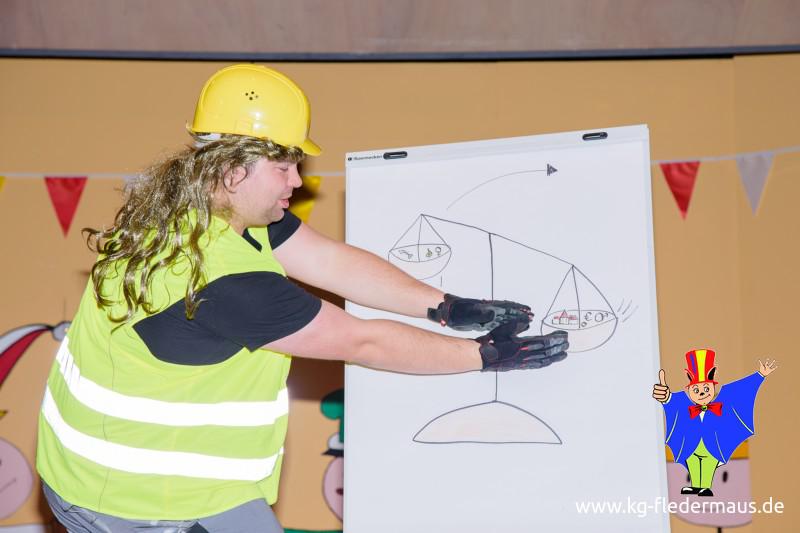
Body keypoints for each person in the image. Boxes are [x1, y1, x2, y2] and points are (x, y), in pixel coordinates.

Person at [36, 64, 569, 532]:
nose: (298, 179)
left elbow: (330, 262)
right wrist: (484, 356)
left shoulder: (193, 205)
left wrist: (445, 306)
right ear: (232, 168)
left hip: (140, 473)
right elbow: (362, 342)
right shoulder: (228, 283)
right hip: (132, 500)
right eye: (283, 166)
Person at [652, 349, 777, 497]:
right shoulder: (683, 404)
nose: (702, 393)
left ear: (712, 387)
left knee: (707, 464)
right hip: (691, 444)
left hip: (711, 444)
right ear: (689, 389)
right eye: (696, 389)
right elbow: (672, 402)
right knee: (693, 462)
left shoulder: (725, 400)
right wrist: (666, 396)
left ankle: (705, 486)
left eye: (706, 388)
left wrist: (760, 375)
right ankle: (695, 486)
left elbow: (742, 389)